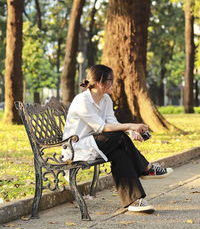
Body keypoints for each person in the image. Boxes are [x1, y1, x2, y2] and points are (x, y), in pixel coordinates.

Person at [62, 64, 173, 213]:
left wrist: (129, 131)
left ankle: (133, 201)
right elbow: (102, 127)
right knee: (118, 138)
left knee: (120, 152)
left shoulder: (106, 99)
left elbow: (112, 123)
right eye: (111, 80)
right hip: (78, 147)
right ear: (101, 82)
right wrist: (131, 126)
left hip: (96, 143)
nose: (114, 84)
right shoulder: (82, 101)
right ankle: (146, 169)